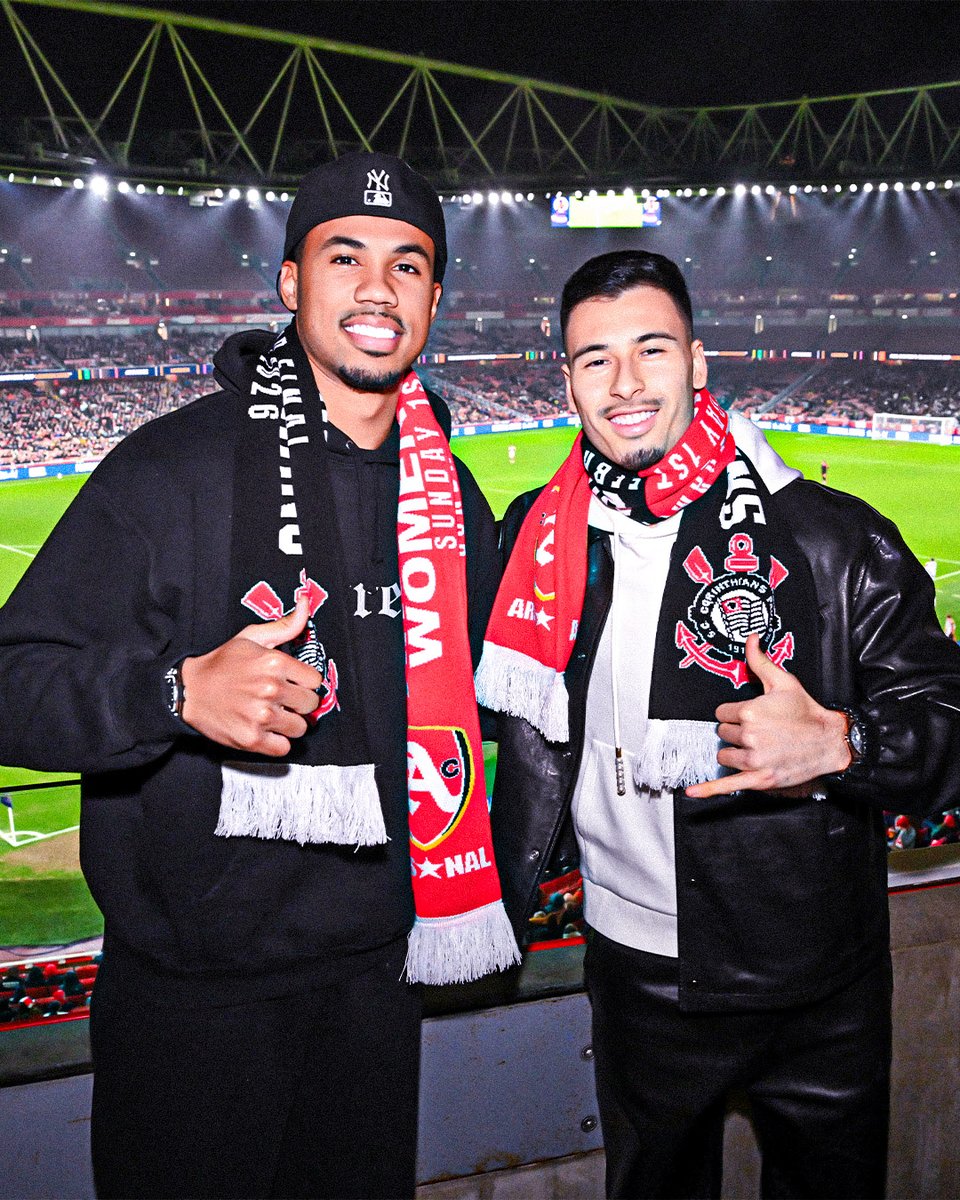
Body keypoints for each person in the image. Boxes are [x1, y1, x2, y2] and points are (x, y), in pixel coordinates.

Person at [0, 151, 518, 1199]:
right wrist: (176, 695)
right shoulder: (170, 470)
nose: (378, 289)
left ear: (434, 297)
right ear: (290, 282)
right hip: (195, 1008)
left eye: (409, 266)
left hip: (378, 986)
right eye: (345, 257)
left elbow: (523, 661)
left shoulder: (446, 495)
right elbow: (15, 681)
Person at [479, 250, 960, 1199]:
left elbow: (948, 714)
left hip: (815, 977)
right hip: (629, 970)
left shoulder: (830, 535)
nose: (624, 385)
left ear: (698, 363)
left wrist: (845, 744)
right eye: (594, 359)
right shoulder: (537, 534)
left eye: (651, 351)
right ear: (567, 378)